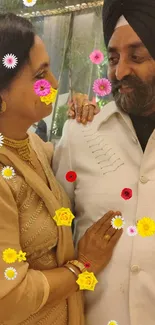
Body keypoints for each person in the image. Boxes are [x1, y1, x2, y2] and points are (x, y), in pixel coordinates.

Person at [0, 13, 123, 325]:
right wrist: (84, 265)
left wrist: (88, 123)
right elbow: (8, 298)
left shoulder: (32, 147)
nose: (54, 83)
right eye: (40, 75)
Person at [53, 1, 155, 325]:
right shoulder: (80, 136)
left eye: (136, 57)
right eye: (113, 58)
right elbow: (48, 239)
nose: (120, 71)